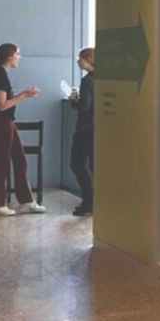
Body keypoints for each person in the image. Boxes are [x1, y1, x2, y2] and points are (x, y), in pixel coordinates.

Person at [0, 43, 45, 216]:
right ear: (10, 56)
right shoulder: (0, 76)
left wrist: (23, 95)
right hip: (2, 121)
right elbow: (2, 105)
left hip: (6, 121)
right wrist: (24, 95)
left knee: (19, 159)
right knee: (3, 161)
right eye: (18, 54)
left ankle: (26, 201)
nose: (19, 57)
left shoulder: (1, 75)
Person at [68, 47, 95, 216]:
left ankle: (88, 201)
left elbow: (84, 106)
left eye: (80, 58)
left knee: (77, 163)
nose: (78, 61)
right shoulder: (101, 79)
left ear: (88, 60)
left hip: (85, 128)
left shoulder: (87, 81)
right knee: (94, 166)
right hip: (97, 128)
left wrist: (73, 101)